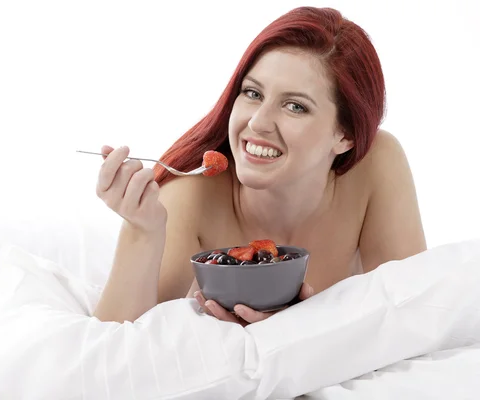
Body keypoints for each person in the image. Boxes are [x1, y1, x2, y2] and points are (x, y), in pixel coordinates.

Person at [92, 6, 426, 325]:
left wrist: (304, 331)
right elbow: (114, 348)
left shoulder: (376, 164)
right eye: (252, 93)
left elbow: (415, 311)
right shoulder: (189, 197)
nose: (258, 123)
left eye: (295, 106)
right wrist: (141, 230)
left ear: (346, 135)